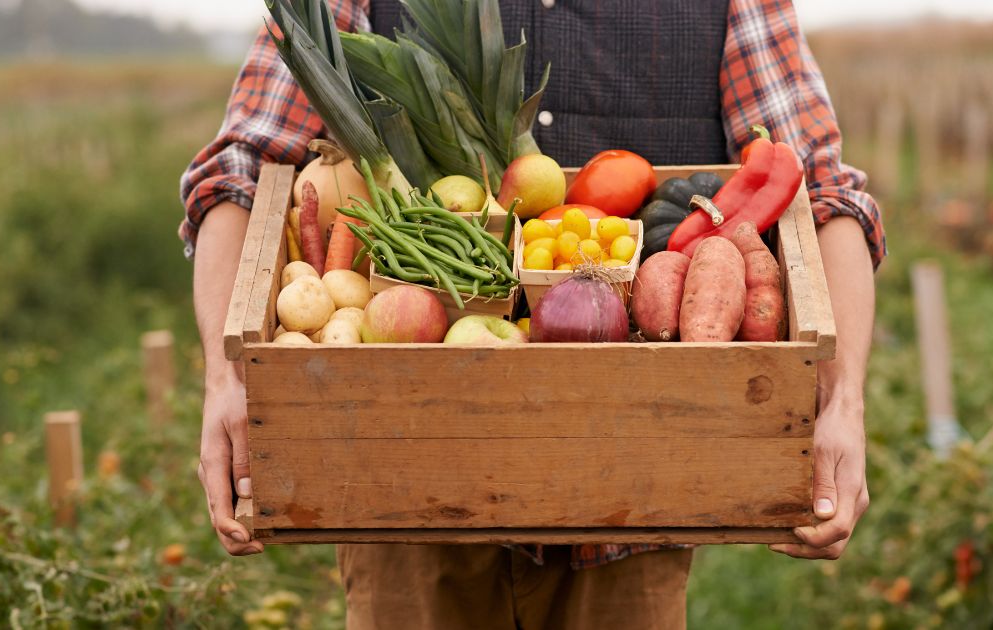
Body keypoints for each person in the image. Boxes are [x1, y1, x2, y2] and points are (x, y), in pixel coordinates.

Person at [180, 1, 885, 628]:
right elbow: (241, 171)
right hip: (405, 492)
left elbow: (821, 191)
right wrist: (225, 380)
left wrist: (843, 401)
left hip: (635, 500)